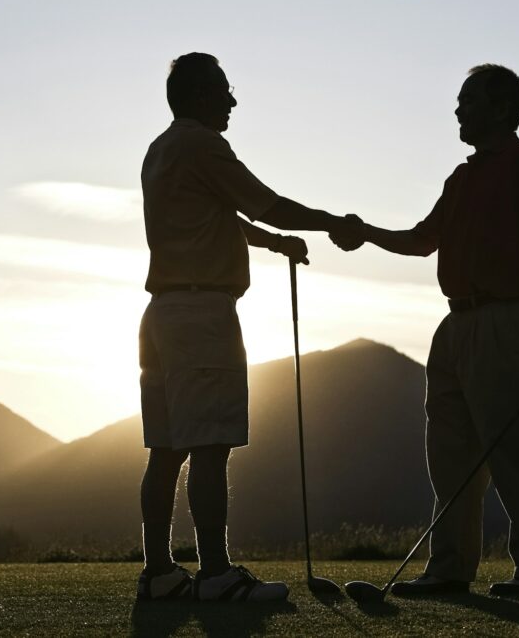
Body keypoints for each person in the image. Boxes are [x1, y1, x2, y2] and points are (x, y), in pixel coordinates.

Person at [333, 64, 519, 596]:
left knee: (515, 451)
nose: (458, 110)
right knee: (450, 455)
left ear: (500, 108)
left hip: (503, 320)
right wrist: (365, 233)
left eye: (467, 100)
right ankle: (449, 570)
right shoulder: (462, 177)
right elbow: (422, 240)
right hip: (454, 324)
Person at [136, 52, 360, 602]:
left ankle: (160, 574)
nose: (233, 100)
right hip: (202, 315)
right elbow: (264, 204)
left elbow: (222, 215)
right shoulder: (203, 144)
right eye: (223, 89)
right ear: (198, 95)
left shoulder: (161, 150)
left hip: (160, 315)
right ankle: (216, 575)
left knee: (165, 450)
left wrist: (273, 244)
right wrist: (331, 222)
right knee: (211, 445)